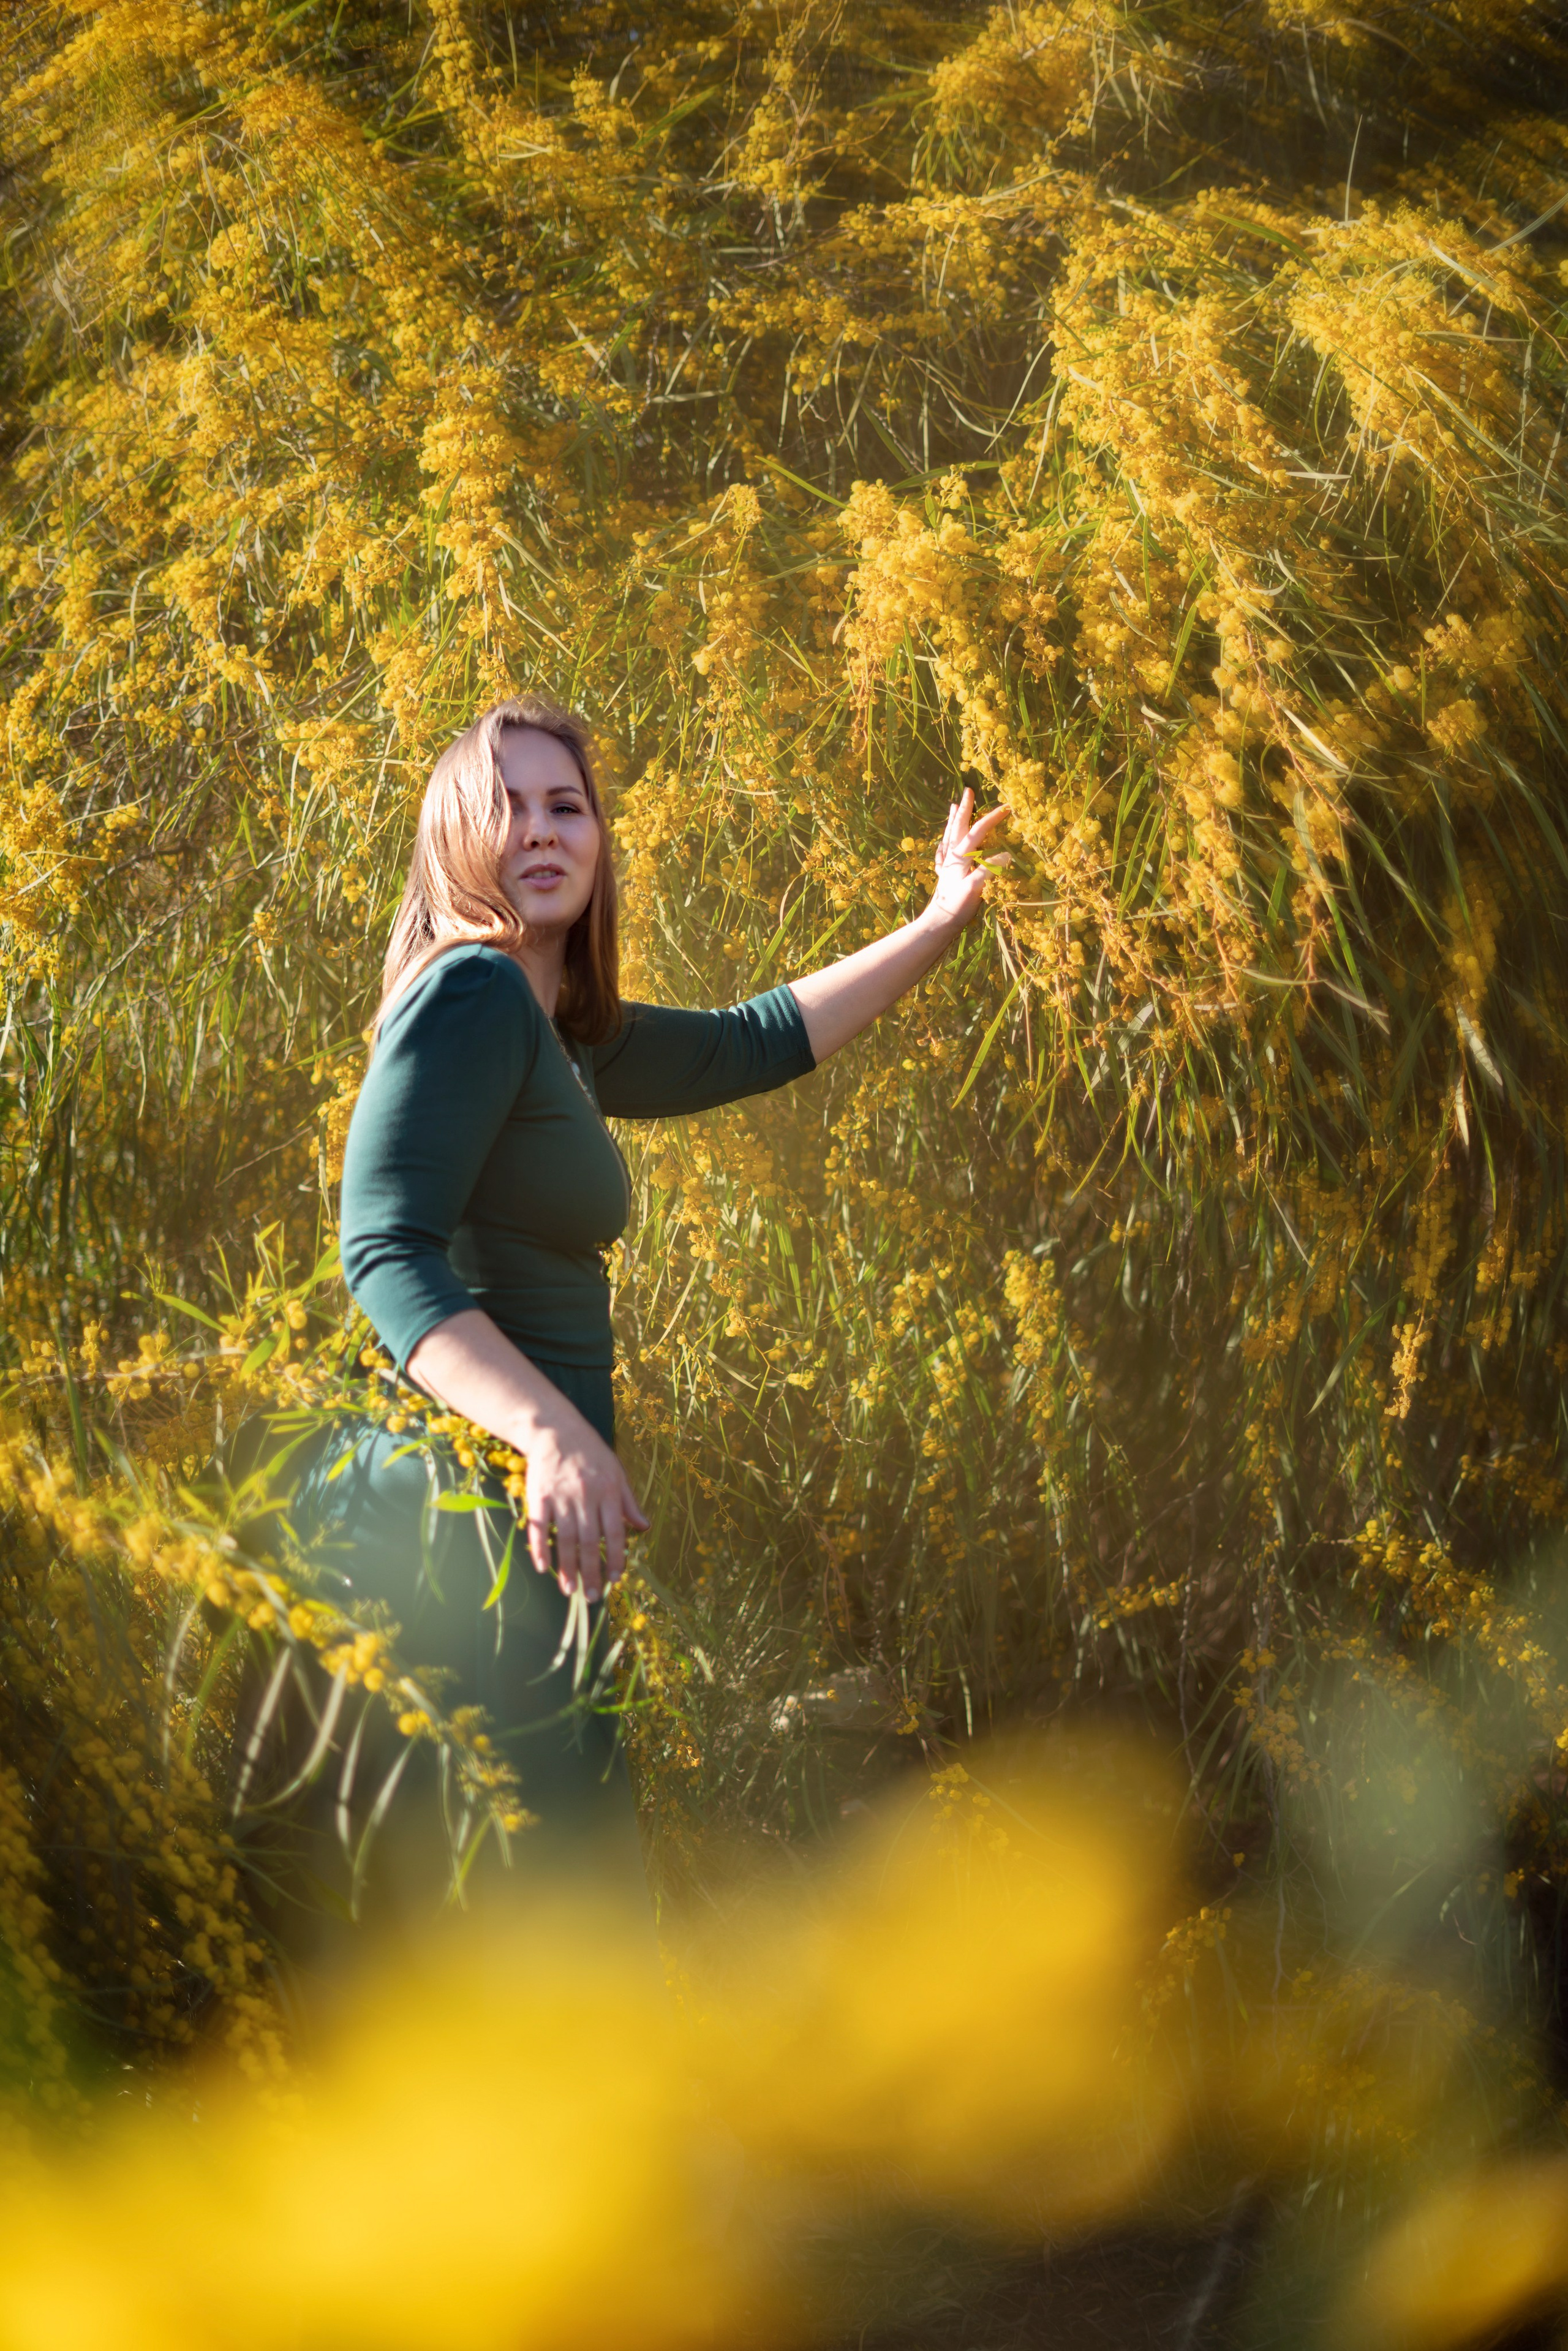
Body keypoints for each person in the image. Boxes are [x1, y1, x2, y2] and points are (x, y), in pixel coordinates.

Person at [246, 689, 1008, 1979]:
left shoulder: (555, 1030)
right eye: (507, 805)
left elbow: (753, 1042)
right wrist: (548, 1431)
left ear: (599, 839)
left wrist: (935, 924)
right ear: (455, 834)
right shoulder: (475, 994)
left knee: (553, 1901)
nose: (542, 829)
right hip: (459, 1509)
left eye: (567, 805)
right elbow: (382, 1250)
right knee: (542, 1906)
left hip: (523, 1515)